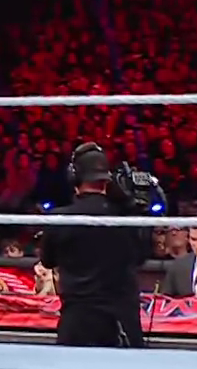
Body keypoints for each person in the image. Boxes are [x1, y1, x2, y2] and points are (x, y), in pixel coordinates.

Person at [39, 143, 147, 347]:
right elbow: (141, 257)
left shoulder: (60, 218)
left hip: (79, 320)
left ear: (74, 178)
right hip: (121, 321)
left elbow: (48, 260)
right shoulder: (125, 217)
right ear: (106, 180)